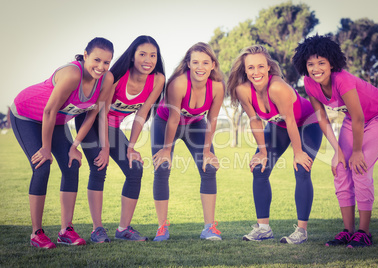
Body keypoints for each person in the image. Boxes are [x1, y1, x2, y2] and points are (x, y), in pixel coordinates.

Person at [292, 35, 378, 248]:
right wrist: (337, 151)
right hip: (352, 120)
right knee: (340, 167)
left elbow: (359, 117)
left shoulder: (342, 79)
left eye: (321, 63)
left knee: (360, 167)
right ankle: (348, 231)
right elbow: (321, 116)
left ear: (331, 62)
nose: (315, 68)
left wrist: (357, 151)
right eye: (310, 64)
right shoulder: (309, 83)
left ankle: (364, 232)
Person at [10, 37, 115, 249]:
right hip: (26, 115)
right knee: (41, 166)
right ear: (85, 56)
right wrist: (46, 149)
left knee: (72, 163)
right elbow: (48, 110)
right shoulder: (71, 74)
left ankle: (65, 230)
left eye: (107, 62)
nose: (101, 66)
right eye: (96, 60)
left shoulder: (106, 79)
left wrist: (74, 147)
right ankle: (36, 233)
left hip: (56, 122)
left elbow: (92, 115)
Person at [227, 45, 322, 244]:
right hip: (278, 126)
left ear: (269, 67)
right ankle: (263, 229)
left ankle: (301, 231)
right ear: (245, 70)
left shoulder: (277, 87)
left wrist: (298, 153)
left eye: (260, 66)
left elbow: (291, 121)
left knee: (301, 168)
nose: (256, 72)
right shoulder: (242, 90)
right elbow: (254, 120)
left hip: (306, 123)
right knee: (259, 169)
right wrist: (262, 152)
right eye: (251, 68)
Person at [75, 35, 165, 243]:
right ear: (132, 56)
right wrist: (105, 148)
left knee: (135, 168)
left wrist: (131, 146)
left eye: (153, 55)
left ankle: (123, 229)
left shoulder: (157, 79)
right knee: (99, 165)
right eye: (142, 54)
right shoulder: (115, 77)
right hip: (91, 121)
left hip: (112, 126)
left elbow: (142, 114)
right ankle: (97, 229)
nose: (148, 60)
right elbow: (102, 113)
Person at [151, 42, 225, 241]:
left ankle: (209, 227)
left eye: (205, 62)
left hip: (195, 124)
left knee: (209, 167)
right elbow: (174, 119)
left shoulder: (217, 87)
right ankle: (162, 227)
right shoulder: (178, 83)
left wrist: (208, 151)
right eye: (195, 62)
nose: (200, 67)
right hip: (165, 122)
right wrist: (166, 150)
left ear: (213, 65)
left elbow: (212, 119)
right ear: (189, 64)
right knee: (162, 167)